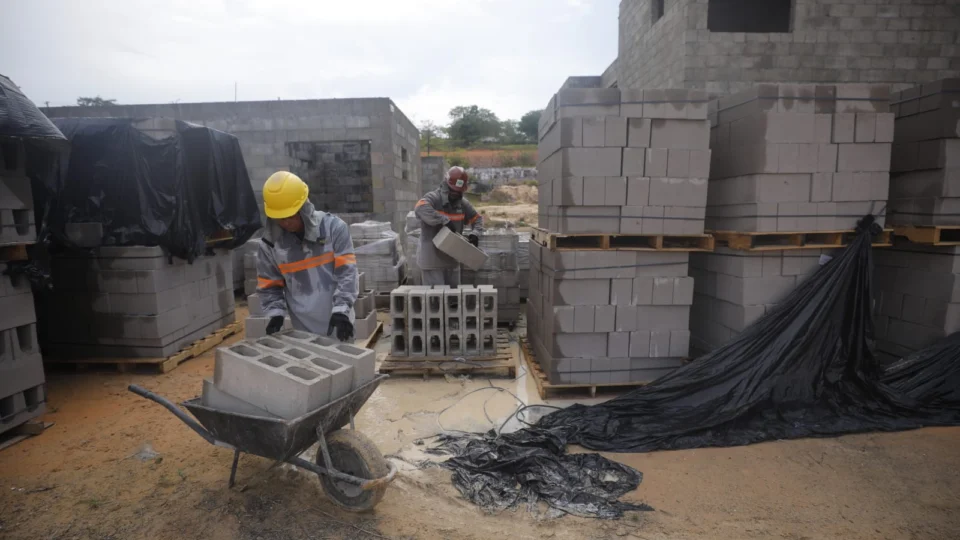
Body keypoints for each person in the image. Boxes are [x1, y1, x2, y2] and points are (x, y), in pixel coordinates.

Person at [256, 171, 358, 341]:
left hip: (338, 320)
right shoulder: (270, 245)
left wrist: (342, 310)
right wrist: (275, 313)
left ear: (304, 208)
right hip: (302, 327)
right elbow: (269, 284)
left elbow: (347, 273)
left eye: (290, 216)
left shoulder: (333, 229)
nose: (286, 223)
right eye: (280, 218)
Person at [414, 166, 484, 286]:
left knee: (453, 296)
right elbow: (420, 208)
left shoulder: (462, 203)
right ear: (446, 185)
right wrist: (444, 220)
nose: (455, 194)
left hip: (452, 259)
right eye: (452, 190)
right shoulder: (433, 198)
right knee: (437, 297)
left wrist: (475, 234)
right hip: (432, 261)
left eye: (458, 192)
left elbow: (477, 219)